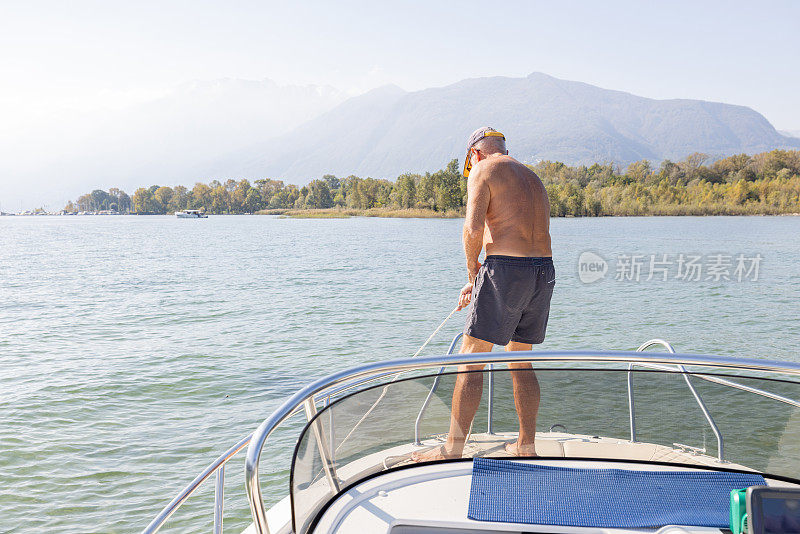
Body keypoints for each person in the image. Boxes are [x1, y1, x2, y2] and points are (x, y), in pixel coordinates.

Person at [412, 126, 554, 461]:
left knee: (470, 359)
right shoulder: (532, 177)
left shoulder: (483, 169)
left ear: (475, 153)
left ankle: (452, 449)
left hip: (505, 270)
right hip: (542, 271)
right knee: (521, 359)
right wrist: (480, 280)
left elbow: (473, 228)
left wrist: (473, 272)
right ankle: (526, 446)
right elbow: (518, 232)